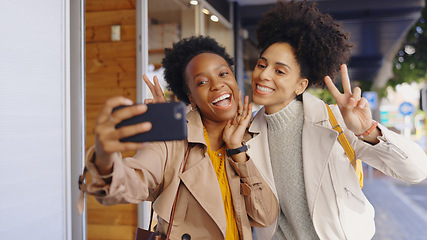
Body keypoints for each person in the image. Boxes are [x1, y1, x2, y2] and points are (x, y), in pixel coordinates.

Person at [245, 1, 427, 240]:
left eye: (280, 71)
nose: (264, 75)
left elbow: (416, 171)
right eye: (261, 64)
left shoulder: (336, 122)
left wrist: (367, 130)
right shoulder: (245, 134)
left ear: (301, 85)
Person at [78, 36, 278, 240]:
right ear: (191, 97)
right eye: (202, 82)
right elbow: (133, 181)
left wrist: (237, 150)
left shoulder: (252, 138)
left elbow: (265, 217)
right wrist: (104, 161)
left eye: (223, 74)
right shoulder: (172, 141)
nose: (217, 85)